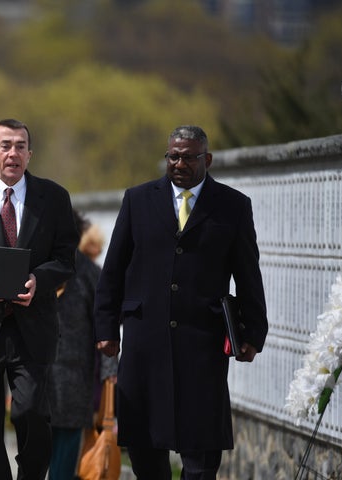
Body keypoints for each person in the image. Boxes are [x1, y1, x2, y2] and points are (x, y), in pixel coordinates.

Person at [93, 125, 269, 479]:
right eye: (173, 156)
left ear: (207, 159)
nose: (179, 163)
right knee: (145, 445)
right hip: (145, 340)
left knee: (201, 453)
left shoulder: (232, 206)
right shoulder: (138, 200)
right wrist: (106, 327)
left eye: (188, 157)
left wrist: (253, 332)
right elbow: (113, 270)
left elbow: (248, 274)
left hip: (202, 344)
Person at [0, 118, 80, 479]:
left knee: (30, 412)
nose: (13, 153)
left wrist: (39, 280)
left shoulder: (53, 197)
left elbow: (67, 258)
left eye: (20, 146)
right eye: (5, 145)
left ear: (30, 153)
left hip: (32, 325)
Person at [47, 210, 117, 480]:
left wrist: (110, 371)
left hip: (75, 380)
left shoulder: (89, 274)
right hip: (36, 378)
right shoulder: (31, 266)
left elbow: (106, 327)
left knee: (64, 460)